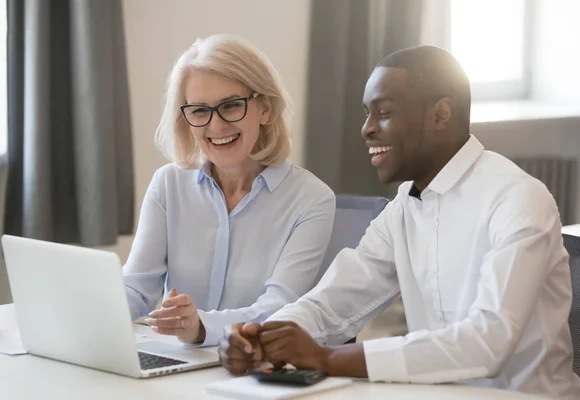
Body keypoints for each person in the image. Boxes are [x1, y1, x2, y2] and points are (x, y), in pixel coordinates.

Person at [219, 45, 580, 399]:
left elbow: (487, 341)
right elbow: (334, 301)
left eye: (384, 113)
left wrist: (326, 358)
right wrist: (261, 337)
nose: (366, 129)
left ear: (440, 115)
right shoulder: (403, 207)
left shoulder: (517, 198)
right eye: (366, 114)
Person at [122, 34, 335, 347]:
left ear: (264, 108)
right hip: (177, 364)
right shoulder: (168, 185)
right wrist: (90, 313)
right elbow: (137, 288)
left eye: (231, 106)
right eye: (199, 111)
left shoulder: (311, 199)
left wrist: (201, 327)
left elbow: (280, 310)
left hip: (254, 371)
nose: (217, 126)